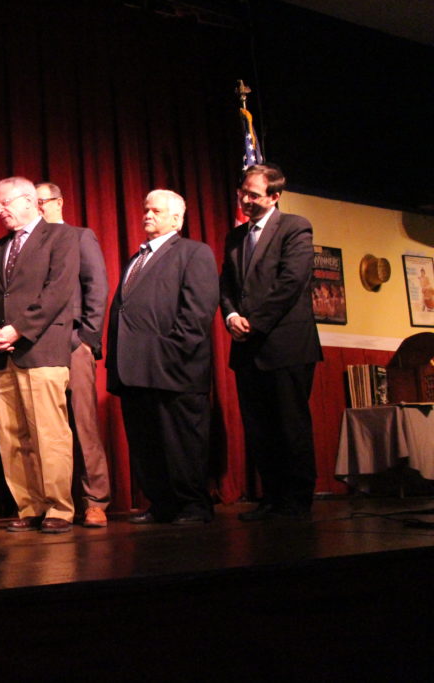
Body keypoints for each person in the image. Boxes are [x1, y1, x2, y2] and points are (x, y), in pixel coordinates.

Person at [106, 189, 218, 525]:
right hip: (133, 371)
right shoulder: (135, 258)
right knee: (147, 444)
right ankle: (162, 504)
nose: (147, 215)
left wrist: (172, 354)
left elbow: (197, 312)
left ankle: (194, 506)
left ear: (177, 218)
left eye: (155, 211)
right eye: (146, 210)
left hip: (175, 369)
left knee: (182, 443)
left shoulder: (194, 252)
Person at [0, 177, 79, 534]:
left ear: (29, 201)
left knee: (48, 434)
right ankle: (30, 505)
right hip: (1, 354)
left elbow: (58, 291)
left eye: (4, 203)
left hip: (41, 350)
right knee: (12, 437)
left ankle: (59, 508)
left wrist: (17, 330)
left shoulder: (62, 237)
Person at [220, 163, 322, 521]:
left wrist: (255, 323)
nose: (245, 200)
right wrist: (231, 317)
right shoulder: (236, 236)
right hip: (247, 349)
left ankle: (297, 501)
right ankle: (272, 499)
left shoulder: (295, 227)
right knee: (259, 429)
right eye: (242, 193)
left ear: (274, 196)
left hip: (285, 346)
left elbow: (291, 282)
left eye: (253, 194)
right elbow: (226, 286)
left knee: (290, 426)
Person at [35, 182, 111, 528]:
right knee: (46, 430)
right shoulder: (31, 245)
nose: (37, 208)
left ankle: (95, 500)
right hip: (38, 347)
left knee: (83, 425)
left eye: (42, 201)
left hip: (73, 344)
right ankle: (53, 503)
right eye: (32, 203)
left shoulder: (80, 236)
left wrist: (87, 339)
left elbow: (97, 286)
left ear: (59, 203)